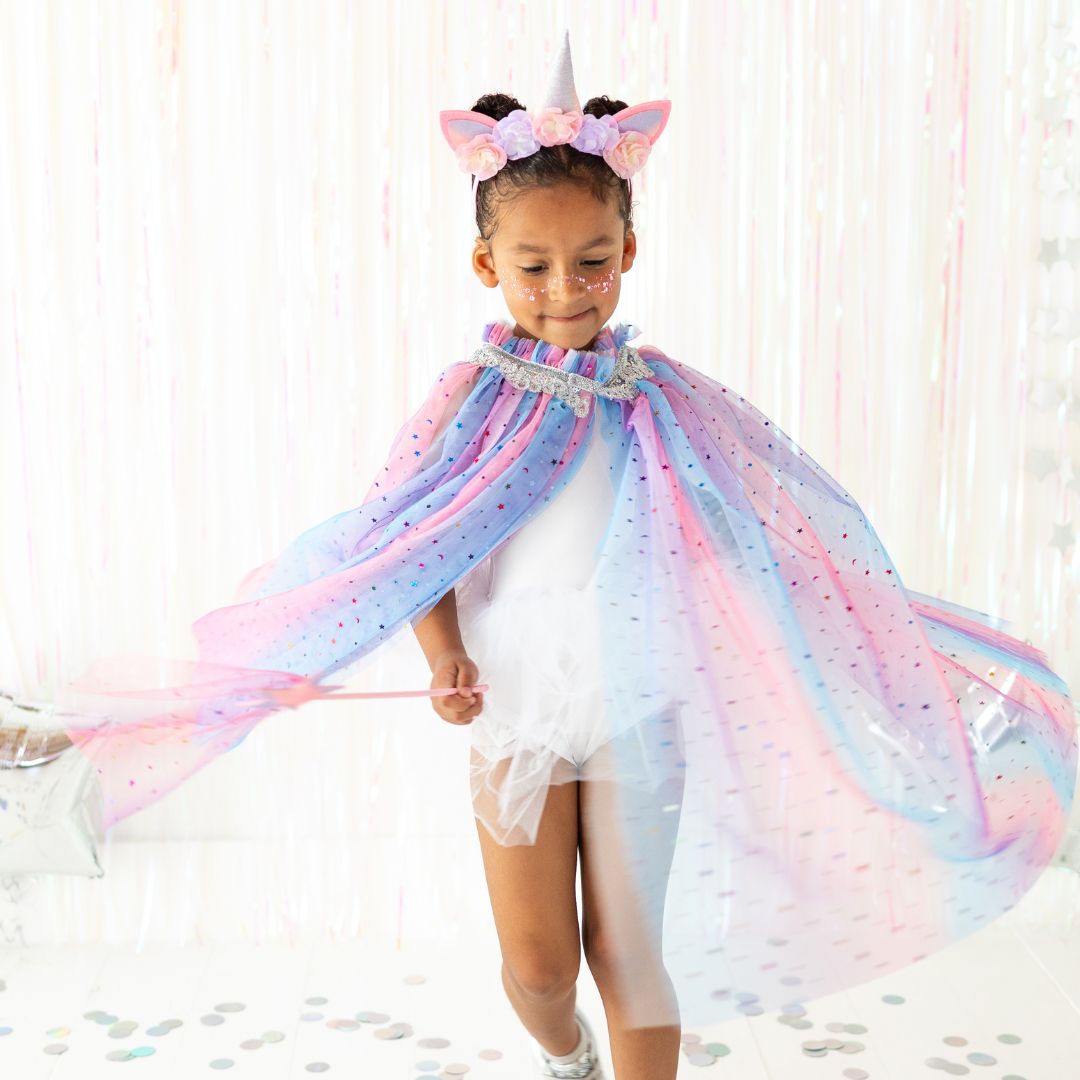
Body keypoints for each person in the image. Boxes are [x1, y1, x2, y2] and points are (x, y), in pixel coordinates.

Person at [54, 28, 1077, 1080]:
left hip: (643, 692)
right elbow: (415, 542)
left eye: (592, 261)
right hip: (519, 698)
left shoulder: (661, 400)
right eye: (533, 266)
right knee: (541, 969)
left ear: (628, 251)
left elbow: (738, 528)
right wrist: (443, 655)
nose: (565, 289)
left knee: (631, 953)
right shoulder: (471, 403)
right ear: (486, 264)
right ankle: (568, 1052)